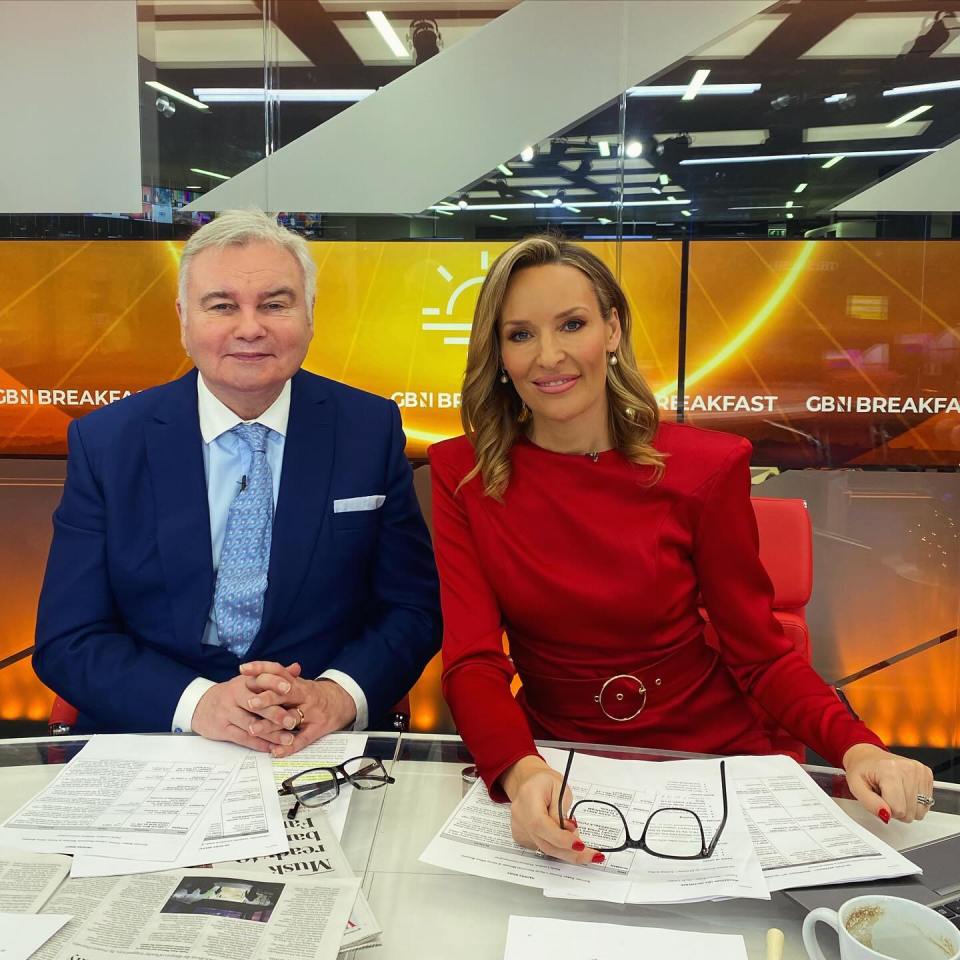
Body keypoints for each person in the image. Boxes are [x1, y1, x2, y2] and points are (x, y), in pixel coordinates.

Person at [428, 235, 934, 866]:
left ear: (613, 330)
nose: (549, 356)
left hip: (708, 755)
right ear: (498, 353)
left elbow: (760, 656)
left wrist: (859, 747)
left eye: (573, 324)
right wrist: (519, 771)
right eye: (520, 334)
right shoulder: (464, 474)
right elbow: (473, 662)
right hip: (554, 763)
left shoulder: (706, 467)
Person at [34, 210, 440, 756]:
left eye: (275, 304)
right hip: (156, 728)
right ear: (183, 318)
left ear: (310, 313)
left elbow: (411, 610)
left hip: (313, 737)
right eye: (222, 305)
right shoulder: (108, 443)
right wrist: (199, 703)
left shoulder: (369, 429)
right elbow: (69, 639)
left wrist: (336, 695)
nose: (250, 327)